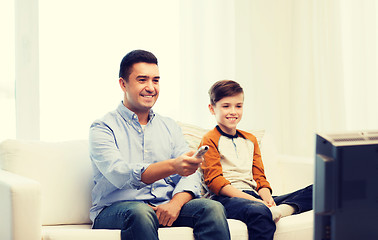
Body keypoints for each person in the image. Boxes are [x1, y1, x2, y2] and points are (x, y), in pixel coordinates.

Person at [89, 50, 231, 240]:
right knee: (141, 212)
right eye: (142, 80)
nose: (151, 87)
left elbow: (191, 174)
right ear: (123, 84)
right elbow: (119, 173)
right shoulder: (103, 127)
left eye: (155, 80)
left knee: (212, 207)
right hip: (116, 210)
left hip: (164, 204)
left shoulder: (169, 126)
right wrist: (173, 166)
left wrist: (175, 204)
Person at [199, 80, 313, 240]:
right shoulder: (209, 139)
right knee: (258, 211)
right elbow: (216, 182)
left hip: (254, 196)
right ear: (212, 109)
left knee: (318, 191)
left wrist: (267, 200)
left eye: (238, 106)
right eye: (226, 106)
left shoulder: (250, 139)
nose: (233, 111)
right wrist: (257, 202)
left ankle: (280, 210)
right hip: (227, 199)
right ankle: (268, 210)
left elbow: (259, 178)